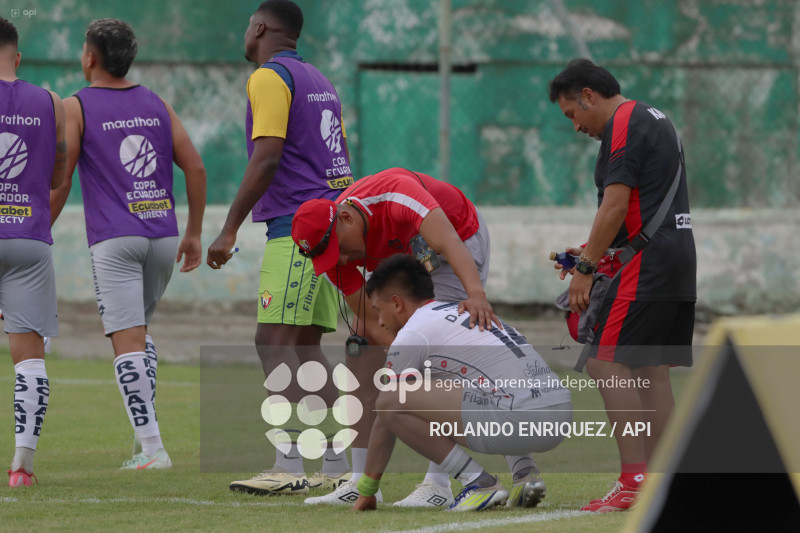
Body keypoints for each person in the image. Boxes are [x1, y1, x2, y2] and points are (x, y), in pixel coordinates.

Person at [291, 167, 505, 507]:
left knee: (439, 356)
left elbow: (447, 242)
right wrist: (402, 354)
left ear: (346, 218)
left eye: (340, 251)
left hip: (455, 241)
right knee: (362, 349)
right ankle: (361, 482)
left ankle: (438, 484)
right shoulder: (331, 248)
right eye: (332, 258)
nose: (342, 261)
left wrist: (475, 294)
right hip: (402, 256)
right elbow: (367, 314)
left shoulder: (395, 193)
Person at [205, 0, 352, 496]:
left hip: (298, 229)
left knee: (272, 343)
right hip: (334, 226)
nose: (246, 33)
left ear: (261, 27)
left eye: (248, 25)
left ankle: (288, 463)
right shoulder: (320, 80)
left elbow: (267, 157)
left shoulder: (270, 77)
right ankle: (338, 462)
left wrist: (229, 228)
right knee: (305, 345)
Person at [50, 18, 207, 469]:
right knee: (139, 334)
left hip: (114, 239)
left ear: (91, 57)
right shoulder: (156, 103)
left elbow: (60, 180)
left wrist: (40, 227)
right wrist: (194, 232)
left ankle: (155, 450)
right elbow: (195, 169)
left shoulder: (75, 106)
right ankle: (144, 444)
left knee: (127, 340)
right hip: (162, 236)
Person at [548, 59, 696, 512]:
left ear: (588, 95)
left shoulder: (625, 122)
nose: (576, 126)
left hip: (648, 264)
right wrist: (588, 251)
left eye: (573, 114)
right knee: (651, 370)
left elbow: (614, 204)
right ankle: (663, 480)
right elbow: (637, 208)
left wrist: (586, 268)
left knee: (606, 364)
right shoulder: (654, 117)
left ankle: (634, 482)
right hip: (675, 255)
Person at [350, 255, 572, 511]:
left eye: (378, 310)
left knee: (390, 398)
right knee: (492, 386)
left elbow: (385, 414)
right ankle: (526, 476)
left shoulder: (413, 333)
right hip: (560, 416)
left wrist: (367, 489)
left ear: (397, 303)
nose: (378, 321)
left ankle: (479, 483)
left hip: (517, 418)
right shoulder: (462, 313)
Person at [1, 16, 66, 487]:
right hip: (28, 236)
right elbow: (59, 169)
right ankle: (22, 468)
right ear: (17, 56)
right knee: (30, 359)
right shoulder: (51, 101)